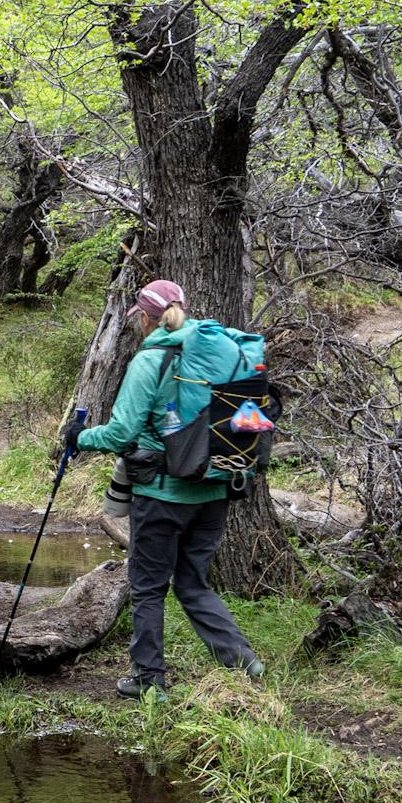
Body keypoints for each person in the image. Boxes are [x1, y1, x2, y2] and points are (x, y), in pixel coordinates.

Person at [61, 279, 262, 699]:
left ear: (146, 318)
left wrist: (79, 437)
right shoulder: (219, 349)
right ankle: (245, 663)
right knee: (192, 583)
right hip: (214, 489)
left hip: (161, 494)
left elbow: (121, 432)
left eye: (139, 319)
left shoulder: (151, 359)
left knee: (148, 587)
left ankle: (148, 681)